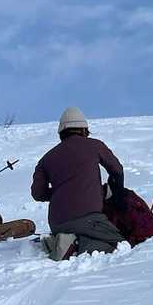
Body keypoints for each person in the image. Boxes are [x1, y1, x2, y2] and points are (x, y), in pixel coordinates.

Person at [32, 107, 126, 259]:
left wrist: (60, 192)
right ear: (84, 129)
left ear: (61, 132)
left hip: (57, 223)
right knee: (118, 242)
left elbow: (38, 194)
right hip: (88, 218)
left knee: (89, 232)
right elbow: (117, 170)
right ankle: (74, 246)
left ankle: (61, 241)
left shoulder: (46, 159)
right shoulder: (95, 146)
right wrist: (116, 190)